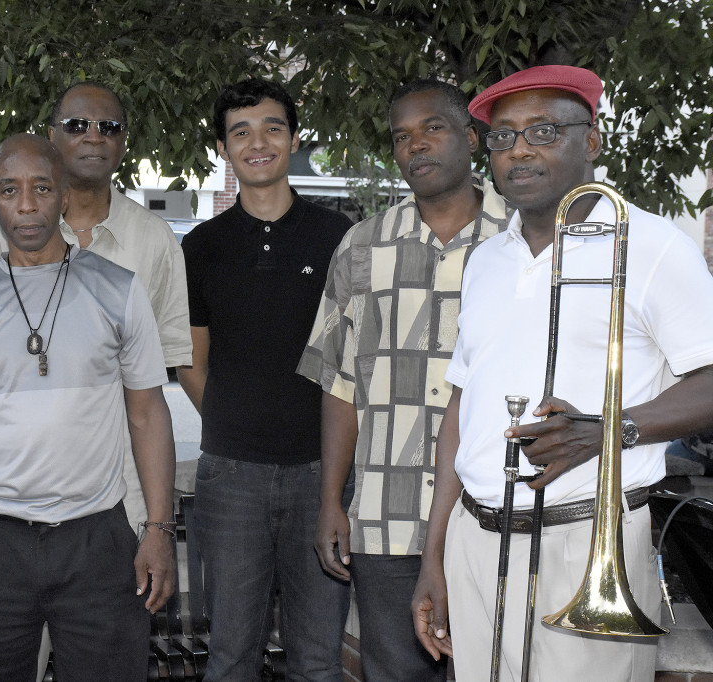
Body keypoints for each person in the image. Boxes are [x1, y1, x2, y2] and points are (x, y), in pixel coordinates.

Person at [411, 65, 713, 682]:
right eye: (502, 137)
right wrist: (435, 553)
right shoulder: (486, 259)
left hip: (587, 541)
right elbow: (460, 414)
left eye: (543, 131)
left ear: (592, 142)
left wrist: (607, 430)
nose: (518, 150)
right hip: (475, 538)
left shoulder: (652, 246)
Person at [0, 133, 176, 681]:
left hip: (97, 539)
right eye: (10, 190)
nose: (27, 205)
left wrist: (158, 529)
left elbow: (148, 414)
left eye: (41, 188)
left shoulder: (118, 290)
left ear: (63, 196)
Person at [298, 79, 512, 681]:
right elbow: (340, 383)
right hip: (383, 518)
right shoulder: (362, 246)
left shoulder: (523, 242)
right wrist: (330, 502)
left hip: (488, 515)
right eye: (401, 137)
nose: (416, 145)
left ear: (471, 137)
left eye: (433, 128)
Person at [178, 78, 353, 681]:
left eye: (272, 128)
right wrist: (237, 418)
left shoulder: (339, 239)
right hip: (231, 477)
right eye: (240, 132)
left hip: (324, 475)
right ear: (223, 149)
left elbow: (353, 362)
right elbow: (190, 362)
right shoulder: (201, 246)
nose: (258, 143)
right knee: (229, 656)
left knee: (319, 657)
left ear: (294, 139)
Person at [0, 81, 190, 532]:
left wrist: (158, 526)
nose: (94, 136)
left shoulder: (154, 240)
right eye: (77, 125)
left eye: (109, 126)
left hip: (123, 506)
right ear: (52, 135)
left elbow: (154, 392)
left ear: (124, 141)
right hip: (8, 504)